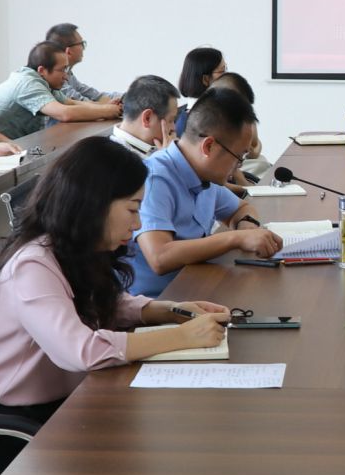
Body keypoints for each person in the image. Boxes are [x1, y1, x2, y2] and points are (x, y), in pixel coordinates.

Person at [0, 137, 231, 475]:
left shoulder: (74, 247)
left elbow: (101, 301)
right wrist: (182, 337)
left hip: (60, 406)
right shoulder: (32, 265)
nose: (137, 224)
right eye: (132, 209)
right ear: (95, 204)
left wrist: (165, 310)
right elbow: (81, 351)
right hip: (14, 431)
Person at [127, 85, 282, 296]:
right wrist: (236, 239)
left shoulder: (204, 175)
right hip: (159, 301)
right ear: (208, 146)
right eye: (238, 157)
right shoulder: (155, 179)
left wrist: (247, 226)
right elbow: (159, 257)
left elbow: (242, 209)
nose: (238, 166)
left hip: (198, 286)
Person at [0, 41, 120, 139]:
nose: (66, 76)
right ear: (42, 70)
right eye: (62, 70)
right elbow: (65, 113)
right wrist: (108, 111)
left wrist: (105, 106)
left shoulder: (43, 82)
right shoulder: (27, 83)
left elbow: (71, 103)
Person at [44, 22, 123, 116]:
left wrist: (127, 97)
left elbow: (95, 96)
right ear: (68, 51)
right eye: (82, 43)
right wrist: (107, 108)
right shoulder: (56, 79)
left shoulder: (68, 74)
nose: (83, 48)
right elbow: (80, 103)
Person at [110, 74, 179, 158]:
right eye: (171, 120)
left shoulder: (159, 147)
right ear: (147, 118)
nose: (173, 128)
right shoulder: (117, 159)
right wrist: (168, 160)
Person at [175, 46, 227, 137]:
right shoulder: (220, 117)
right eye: (222, 71)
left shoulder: (176, 115)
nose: (228, 76)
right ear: (205, 79)